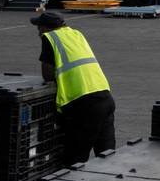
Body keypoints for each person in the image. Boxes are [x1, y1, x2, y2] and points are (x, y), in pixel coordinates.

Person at [32, 11, 115, 164]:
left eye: (39, 28)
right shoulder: (76, 34)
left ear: (46, 28)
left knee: (75, 160)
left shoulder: (50, 38)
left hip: (84, 104)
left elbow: (47, 74)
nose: (38, 32)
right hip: (105, 97)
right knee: (107, 158)